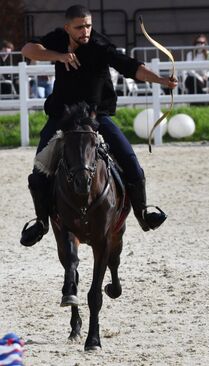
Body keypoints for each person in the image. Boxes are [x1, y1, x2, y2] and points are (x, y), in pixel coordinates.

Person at [19, 5, 177, 246]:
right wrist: (59, 56)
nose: (85, 31)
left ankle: (143, 212)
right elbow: (28, 49)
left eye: (88, 25)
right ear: (67, 28)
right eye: (79, 27)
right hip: (63, 118)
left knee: (130, 161)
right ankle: (41, 222)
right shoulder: (58, 39)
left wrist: (162, 80)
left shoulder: (100, 45)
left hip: (96, 118)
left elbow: (131, 67)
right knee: (39, 170)